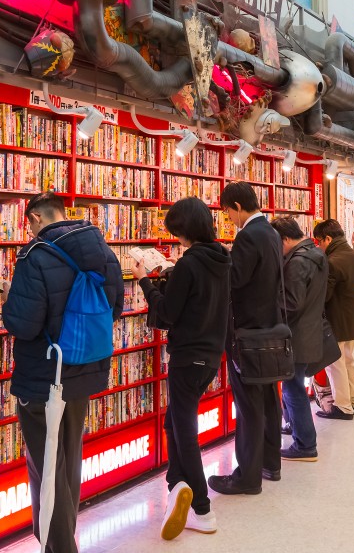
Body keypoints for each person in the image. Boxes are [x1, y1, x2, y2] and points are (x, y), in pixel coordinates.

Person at [2, 191, 123, 553]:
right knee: (68, 460)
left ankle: (59, 548)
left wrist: (9, 299)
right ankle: (63, 539)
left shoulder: (35, 256)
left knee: (45, 467)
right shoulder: (103, 250)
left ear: (35, 219)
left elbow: (23, 325)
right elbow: (114, 308)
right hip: (84, 370)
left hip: (44, 376)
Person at [134, 197, 229, 539]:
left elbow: (169, 314)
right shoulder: (220, 257)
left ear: (184, 229)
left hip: (188, 356)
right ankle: (178, 484)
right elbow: (198, 299)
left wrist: (145, 281)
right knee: (173, 422)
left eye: (176, 231)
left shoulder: (190, 264)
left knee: (184, 430)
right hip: (211, 354)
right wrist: (172, 275)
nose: (175, 237)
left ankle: (202, 508)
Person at [208, 182, 284, 496]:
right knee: (268, 400)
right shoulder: (271, 233)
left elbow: (236, 282)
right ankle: (271, 463)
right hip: (269, 330)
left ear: (238, 207)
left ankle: (248, 477)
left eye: (228, 213)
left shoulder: (248, 236)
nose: (229, 220)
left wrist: (220, 263)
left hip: (247, 335)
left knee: (249, 405)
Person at [270, 217, 327, 462]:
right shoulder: (315, 254)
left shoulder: (298, 262)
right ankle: (294, 427)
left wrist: (267, 303)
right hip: (309, 330)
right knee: (293, 386)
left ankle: (305, 444)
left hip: (297, 334)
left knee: (294, 388)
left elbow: (291, 303)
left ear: (284, 238)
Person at [313, 218, 354, 421]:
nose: (319, 246)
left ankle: (343, 407)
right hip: (353, 319)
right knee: (348, 361)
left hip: (337, 320)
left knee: (334, 364)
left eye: (319, 241)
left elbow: (325, 295)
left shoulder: (333, 261)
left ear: (328, 238)